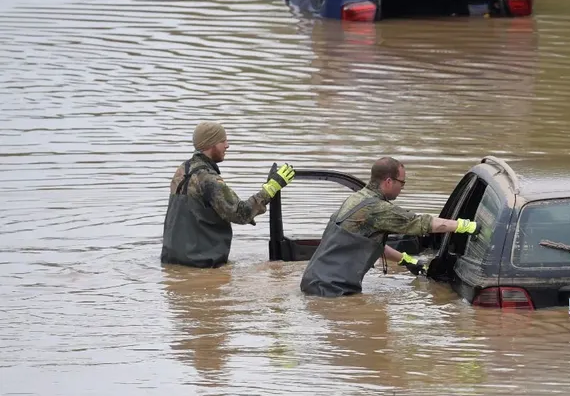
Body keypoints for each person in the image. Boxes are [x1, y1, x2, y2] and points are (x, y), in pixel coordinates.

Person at [300, 156, 478, 297]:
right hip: (331, 292)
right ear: (388, 181)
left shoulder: (358, 199)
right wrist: (464, 226)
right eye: (402, 183)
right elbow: (420, 222)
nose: (402, 188)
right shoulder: (377, 209)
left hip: (314, 283)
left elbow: (368, 243)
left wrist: (406, 260)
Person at [161, 121, 296, 268]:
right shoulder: (208, 179)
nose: (227, 145)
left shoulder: (182, 171)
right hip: (202, 266)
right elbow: (241, 213)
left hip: (172, 262)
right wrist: (271, 188)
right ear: (211, 144)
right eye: (222, 141)